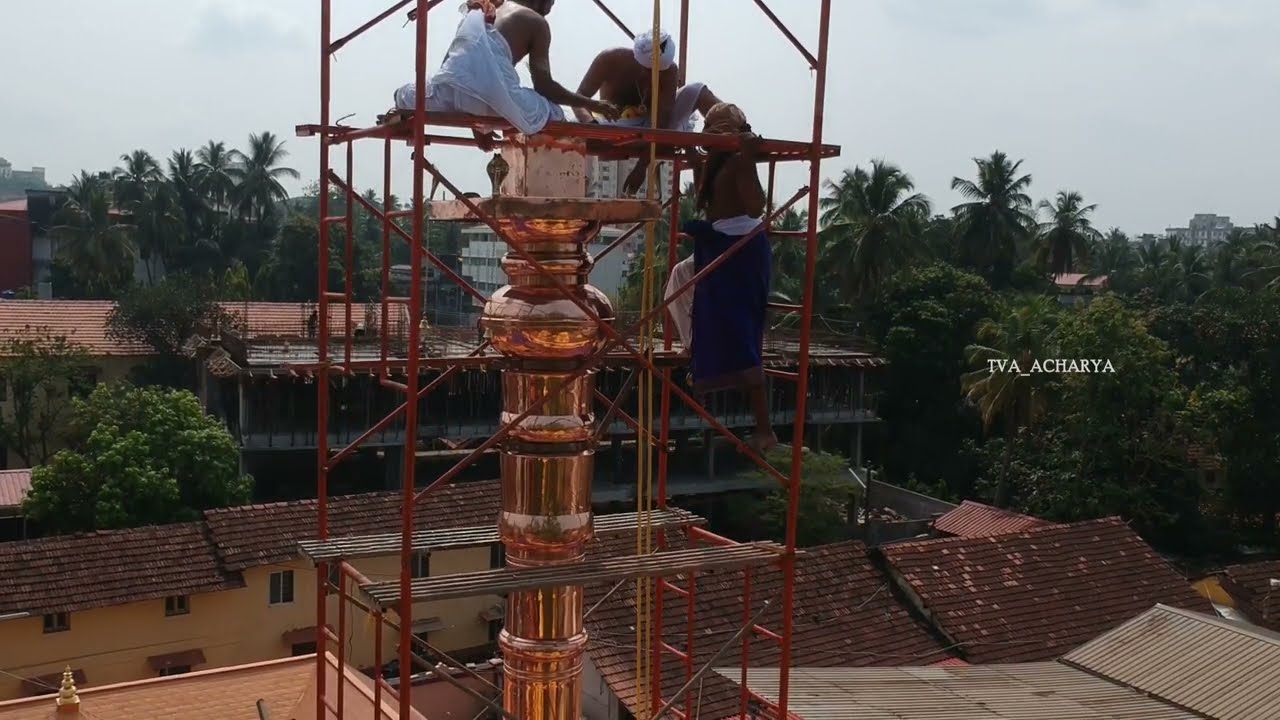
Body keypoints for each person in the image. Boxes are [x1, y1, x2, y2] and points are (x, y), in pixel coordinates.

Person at [664, 103, 777, 453]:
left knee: (741, 330)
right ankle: (694, 345)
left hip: (741, 249)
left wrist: (746, 159)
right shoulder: (714, 163)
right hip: (718, 243)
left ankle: (765, 429)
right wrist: (692, 156)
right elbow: (704, 198)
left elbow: (756, 205)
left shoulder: (735, 160)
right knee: (679, 280)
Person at [394, 0, 619, 144]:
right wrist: (593, 105)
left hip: (452, 93)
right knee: (553, 113)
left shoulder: (482, 8)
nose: (551, 9)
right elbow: (544, 86)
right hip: (495, 101)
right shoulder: (536, 22)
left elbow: (460, 69)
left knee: (402, 94)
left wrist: (478, 128)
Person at [573, 29, 726, 195]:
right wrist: (591, 125)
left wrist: (641, 167)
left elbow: (661, 124)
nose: (652, 75)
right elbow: (579, 97)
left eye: (659, 71)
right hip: (613, 126)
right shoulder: (610, 59)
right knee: (565, 122)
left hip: (654, 130)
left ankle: (733, 130)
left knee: (698, 90)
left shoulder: (670, 72)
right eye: (648, 69)